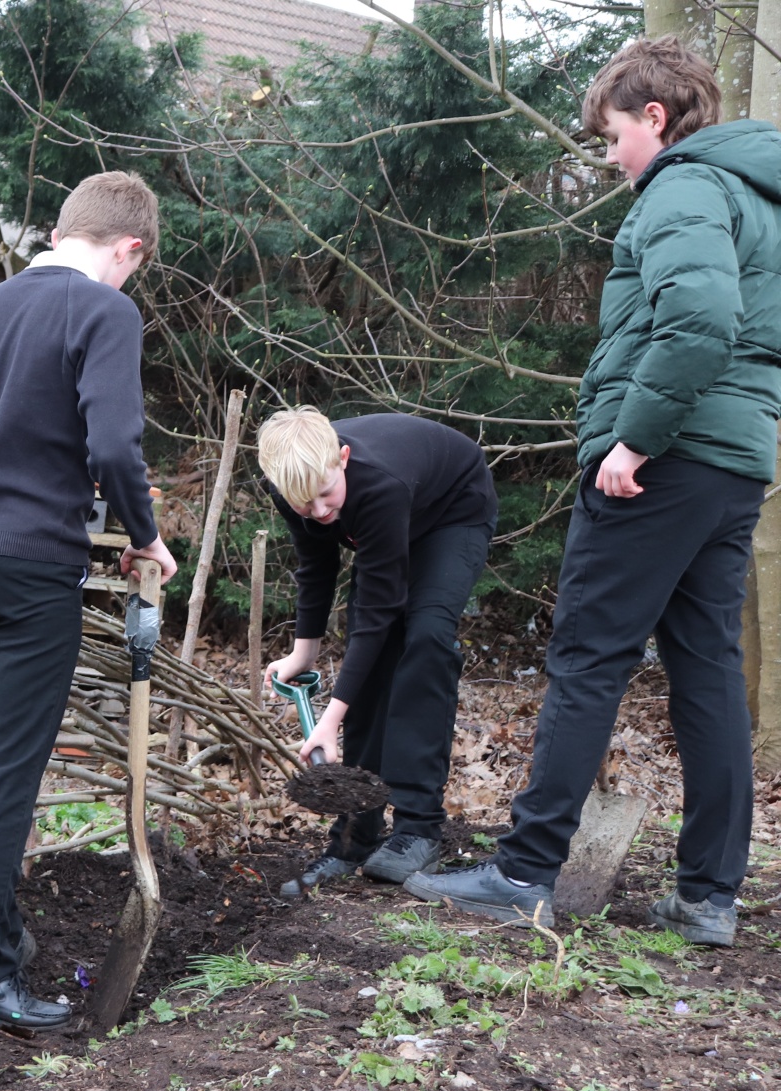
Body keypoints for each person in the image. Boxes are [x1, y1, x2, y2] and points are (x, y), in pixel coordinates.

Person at [408, 37, 781, 943]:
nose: (609, 156)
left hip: (665, 460)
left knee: (586, 656)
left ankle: (526, 869)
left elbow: (699, 324)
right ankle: (708, 896)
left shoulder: (686, 187)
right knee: (705, 668)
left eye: (612, 135)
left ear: (654, 119)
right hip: (734, 463)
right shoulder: (758, 199)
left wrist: (633, 440)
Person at [0, 170, 179, 1031]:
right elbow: (112, 439)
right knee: (10, 770)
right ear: (127, 247)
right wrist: (142, 533)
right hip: (34, 565)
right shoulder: (105, 312)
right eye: (133, 270)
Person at [258, 410, 497, 897]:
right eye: (305, 504)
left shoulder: (379, 484)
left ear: (342, 459)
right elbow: (316, 566)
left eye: (327, 495)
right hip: (391, 523)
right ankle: (353, 838)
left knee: (426, 639)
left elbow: (379, 610)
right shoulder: (294, 486)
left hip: (453, 510)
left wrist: (331, 717)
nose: (322, 512)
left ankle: (418, 828)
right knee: (373, 653)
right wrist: (304, 654)